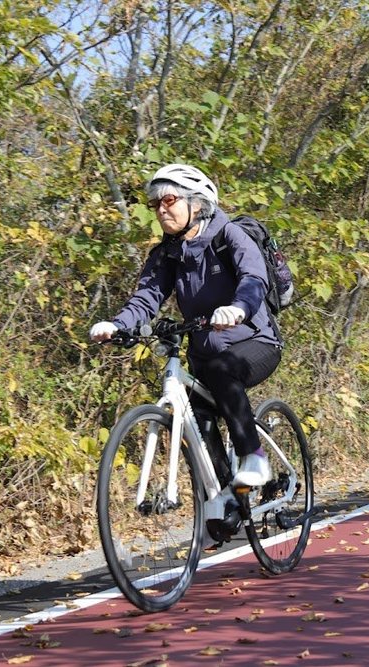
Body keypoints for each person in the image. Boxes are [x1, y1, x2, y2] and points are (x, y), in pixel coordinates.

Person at [89, 164, 282, 488]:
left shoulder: (228, 235)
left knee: (222, 369)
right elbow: (146, 297)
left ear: (197, 202)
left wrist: (237, 308)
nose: (160, 210)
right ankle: (225, 502)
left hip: (255, 341)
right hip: (203, 352)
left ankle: (255, 457)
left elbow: (253, 278)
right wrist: (117, 324)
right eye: (155, 204)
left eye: (169, 200)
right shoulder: (167, 254)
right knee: (196, 419)